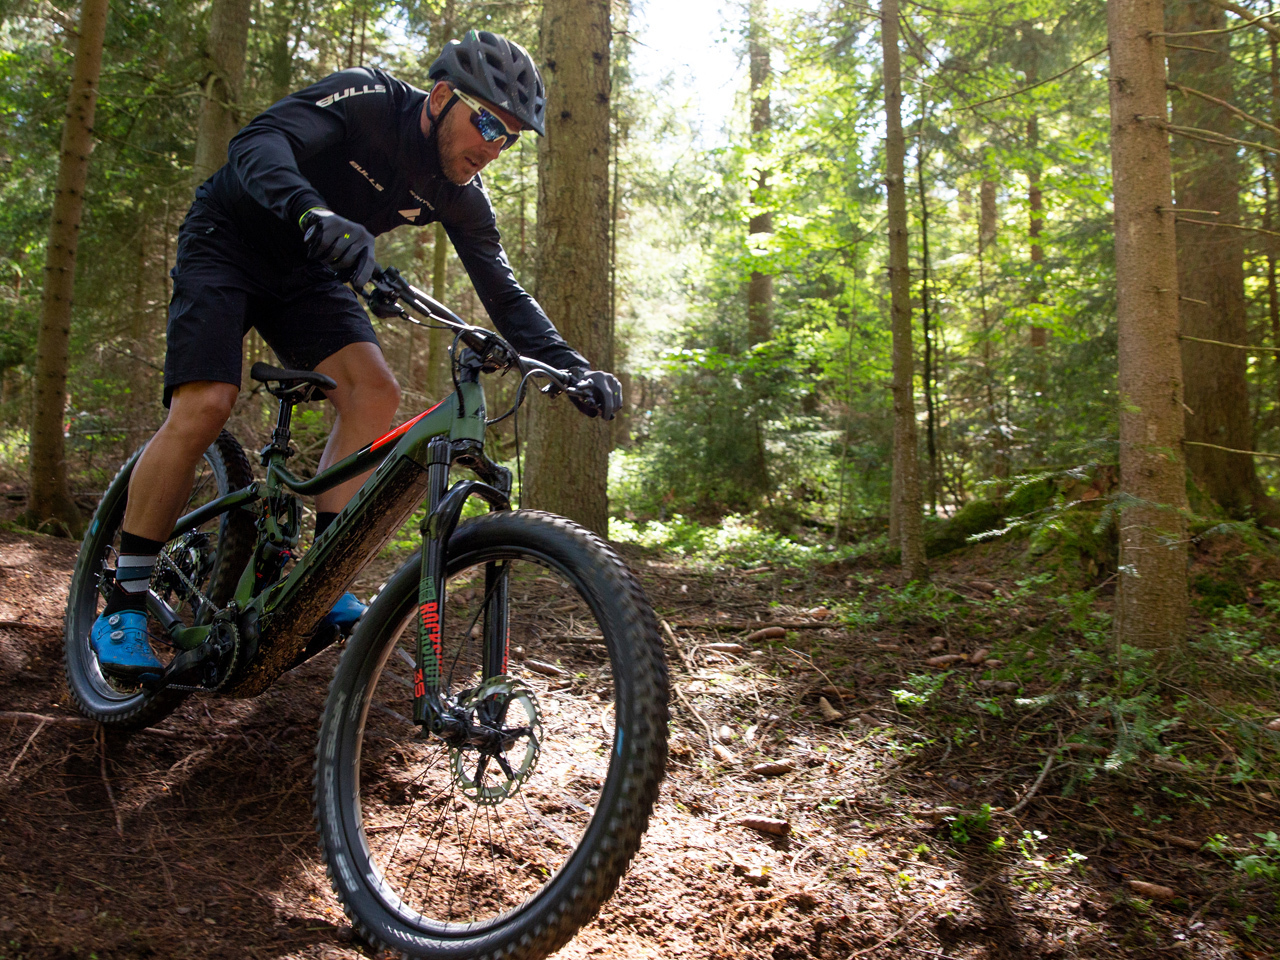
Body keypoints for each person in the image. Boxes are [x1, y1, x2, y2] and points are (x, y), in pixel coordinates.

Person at [91, 31, 623, 680]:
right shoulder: (368, 100)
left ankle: (318, 579)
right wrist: (312, 212)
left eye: (508, 137)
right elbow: (256, 144)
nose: (492, 147)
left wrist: (570, 366)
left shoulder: (458, 191)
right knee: (206, 403)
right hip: (227, 239)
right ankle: (125, 596)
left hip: (309, 273)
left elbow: (504, 293)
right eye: (487, 122)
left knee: (375, 392)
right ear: (439, 97)